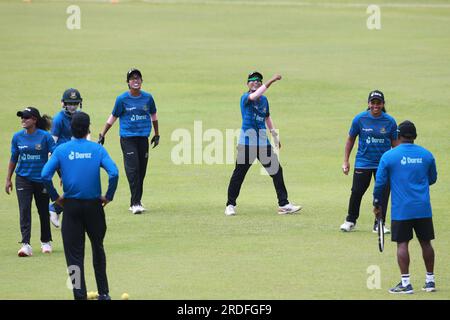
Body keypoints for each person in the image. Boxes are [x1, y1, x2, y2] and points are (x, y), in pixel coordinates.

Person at [42, 112, 119, 300]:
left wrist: (56, 198)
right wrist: (108, 196)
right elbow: (114, 173)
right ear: (88, 129)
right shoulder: (97, 150)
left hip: (71, 207)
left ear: (71, 129)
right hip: (94, 206)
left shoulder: (61, 150)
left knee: (74, 256)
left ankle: (80, 295)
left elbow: (45, 175)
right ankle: (104, 293)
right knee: (98, 248)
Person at [373, 121, 437, 294]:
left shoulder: (389, 156)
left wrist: (377, 203)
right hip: (423, 208)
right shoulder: (427, 155)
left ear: (398, 136)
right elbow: (432, 179)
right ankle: (430, 281)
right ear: (415, 136)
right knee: (426, 243)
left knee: (402, 244)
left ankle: (406, 283)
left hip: (402, 209)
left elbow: (380, 183)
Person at [224, 71, 301, 216]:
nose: (255, 82)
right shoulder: (245, 98)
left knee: (276, 171)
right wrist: (271, 80)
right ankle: (230, 205)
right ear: (247, 84)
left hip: (262, 143)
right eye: (252, 80)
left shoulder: (264, 100)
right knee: (239, 175)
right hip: (247, 143)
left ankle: (284, 204)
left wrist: (275, 136)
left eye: (258, 80)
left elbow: (267, 118)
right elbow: (254, 96)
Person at [98, 68, 159, 214]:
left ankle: (135, 201)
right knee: (133, 170)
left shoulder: (148, 98)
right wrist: (103, 133)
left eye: (138, 78)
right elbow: (113, 117)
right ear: (128, 83)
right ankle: (136, 203)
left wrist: (157, 134)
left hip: (143, 138)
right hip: (127, 138)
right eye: (132, 79)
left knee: (141, 171)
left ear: (141, 81)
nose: (135, 81)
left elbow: (154, 115)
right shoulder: (122, 99)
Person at [340, 90, 398, 232]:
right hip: (363, 162)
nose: (375, 106)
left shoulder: (390, 121)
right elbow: (350, 140)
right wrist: (346, 161)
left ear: (383, 104)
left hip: (383, 164)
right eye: (373, 103)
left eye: (379, 103)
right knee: (357, 191)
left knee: (382, 193)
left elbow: (395, 144)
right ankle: (350, 220)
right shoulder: (359, 119)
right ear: (368, 104)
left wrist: (396, 164)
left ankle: (379, 223)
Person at [5, 107, 56, 256]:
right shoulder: (17, 137)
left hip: (41, 179)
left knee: (43, 211)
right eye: (22, 117)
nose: (23, 120)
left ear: (34, 120)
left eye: (26, 117)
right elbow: (14, 158)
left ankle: (46, 242)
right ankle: (26, 244)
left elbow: (55, 156)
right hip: (23, 179)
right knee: (24, 210)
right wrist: (8, 179)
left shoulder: (45, 137)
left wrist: (60, 175)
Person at [48, 88, 84, 228]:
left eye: (75, 103)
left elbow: (86, 135)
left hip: (78, 157)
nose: (73, 106)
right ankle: (56, 208)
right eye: (70, 103)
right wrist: (54, 164)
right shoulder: (58, 119)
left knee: (77, 187)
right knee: (77, 186)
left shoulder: (81, 116)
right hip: (63, 159)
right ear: (64, 103)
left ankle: (57, 208)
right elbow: (52, 142)